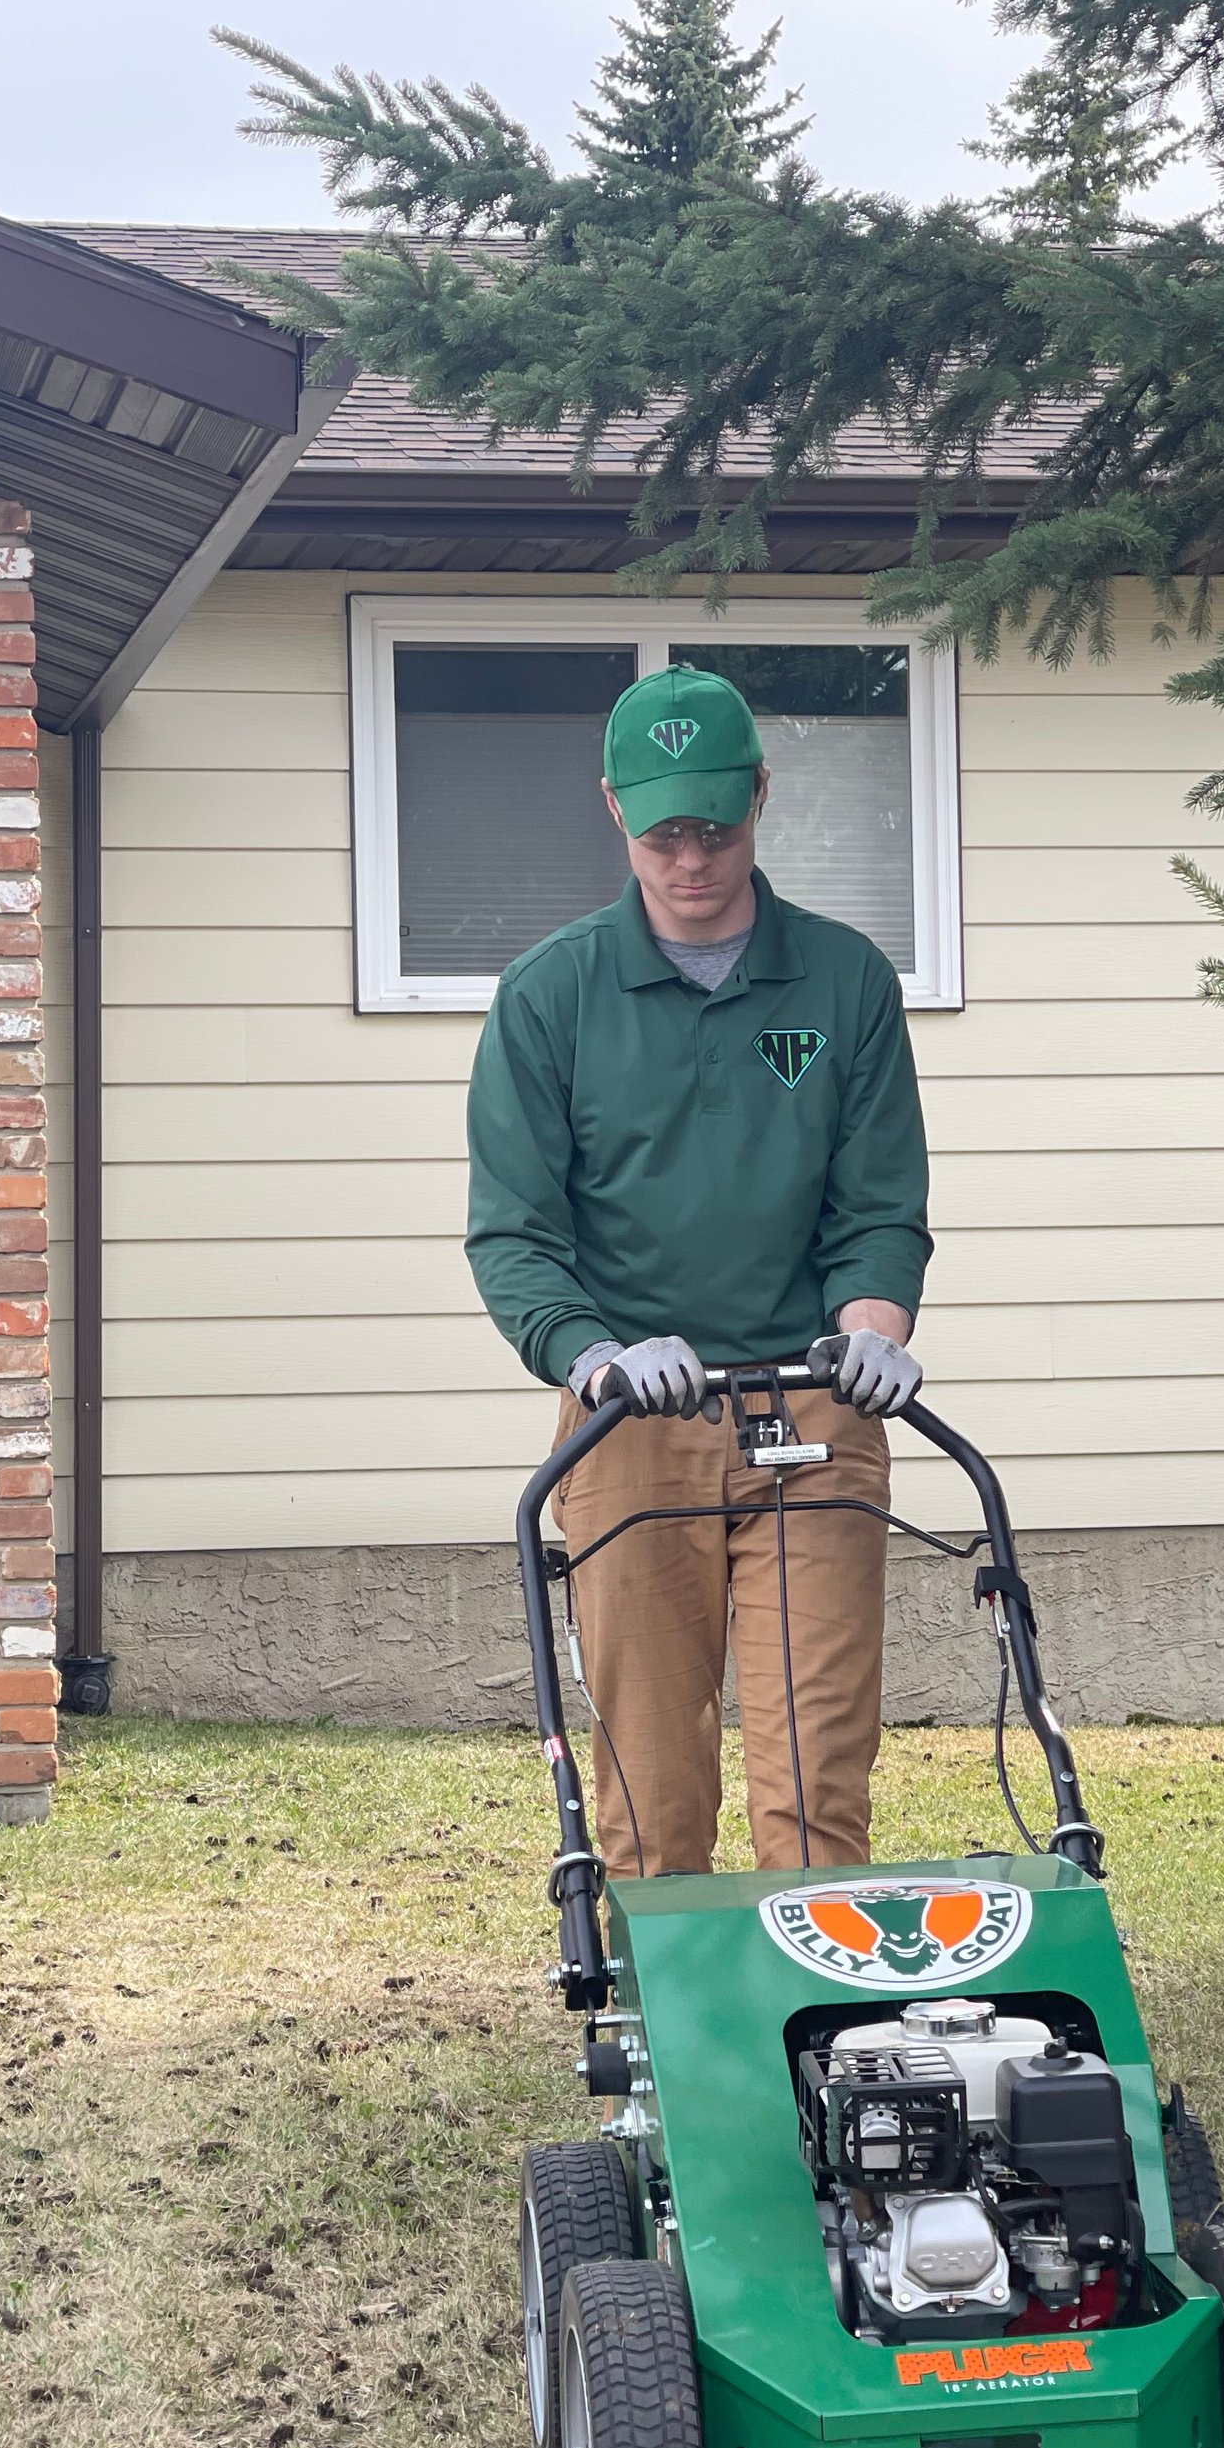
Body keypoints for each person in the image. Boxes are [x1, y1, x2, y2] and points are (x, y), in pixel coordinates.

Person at [465, 662, 932, 1876]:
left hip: (815, 1409)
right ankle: (676, 2048)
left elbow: (879, 1207)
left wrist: (872, 1329)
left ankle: (818, 2044)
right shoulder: (551, 996)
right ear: (615, 810)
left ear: (761, 798)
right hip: (630, 1424)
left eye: (716, 827)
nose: (692, 859)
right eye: (666, 830)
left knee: (818, 1778)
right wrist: (599, 1353)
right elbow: (515, 1235)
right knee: (652, 1793)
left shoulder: (844, 981)